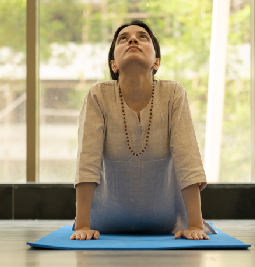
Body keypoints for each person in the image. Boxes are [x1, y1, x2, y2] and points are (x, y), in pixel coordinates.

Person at [70, 20, 217, 241]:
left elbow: (188, 158)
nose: (132, 40)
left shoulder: (173, 94)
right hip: (105, 222)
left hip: (165, 221)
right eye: (123, 38)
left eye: (142, 37)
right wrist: (82, 226)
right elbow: (87, 160)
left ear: (156, 62)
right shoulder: (97, 95)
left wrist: (195, 225)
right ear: (113, 65)